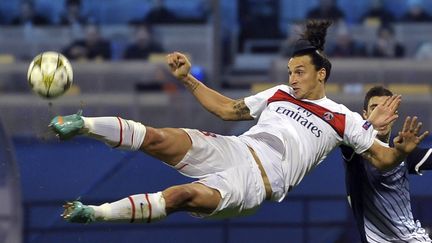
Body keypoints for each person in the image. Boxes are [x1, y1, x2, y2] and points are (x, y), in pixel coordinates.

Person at [51, 20, 426, 224]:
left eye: (299, 72)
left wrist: (400, 150)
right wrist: (187, 79)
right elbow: (229, 110)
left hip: (252, 183)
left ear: (321, 74)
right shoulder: (278, 93)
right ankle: (82, 124)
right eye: (290, 71)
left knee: (180, 196)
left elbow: (381, 160)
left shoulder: (342, 118)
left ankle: (93, 213)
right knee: (158, 137)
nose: (292, 78)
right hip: (236, 148)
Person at [341, 86, 432, 242]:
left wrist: (400, 153)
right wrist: (368, 124)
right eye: (375, 109)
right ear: (365, 115)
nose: (382, 114)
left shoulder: (402, 152)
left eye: (387, 108)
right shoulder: (355, 151)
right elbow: (350, 137)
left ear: (395, 114)